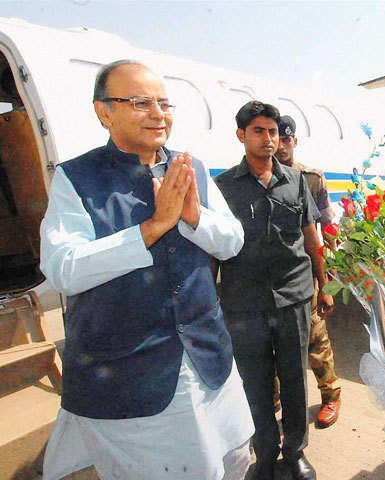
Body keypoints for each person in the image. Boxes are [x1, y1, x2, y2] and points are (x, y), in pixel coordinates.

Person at [39, 60, 254, 480]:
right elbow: (63, 269)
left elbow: (232, 242)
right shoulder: (76, 178)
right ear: (105, 112)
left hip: (209, 362)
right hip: (130, 374)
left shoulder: (191, 168)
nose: (158, 114)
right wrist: (151, 229)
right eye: (140, 102)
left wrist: (194, 218)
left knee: (233, 460)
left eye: (164, 103)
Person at [214, 101, 333, 480]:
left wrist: (323, 284)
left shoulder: (297, 181)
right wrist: (210, 299)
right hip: (244, 302)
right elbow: (214, 248)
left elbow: (311, 235)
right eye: (259, 131)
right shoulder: (222, 188)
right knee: (255, 381)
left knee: (295, 378)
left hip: (293, 296)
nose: (268, 139)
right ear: (241, 136)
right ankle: (264, 454)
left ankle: (295, 452)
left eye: (273, 132)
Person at [274, 115, 341, 428]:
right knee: (271, 339)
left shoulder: (311, 179)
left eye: (288, 139)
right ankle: (273, 397)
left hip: (305, 269)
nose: (283, 146)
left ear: (294, 141)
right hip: (271, 274)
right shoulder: (258, 175)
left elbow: (326, 227)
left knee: (316, 337)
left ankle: (330, 395)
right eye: (279, 138)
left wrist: (326, 282)